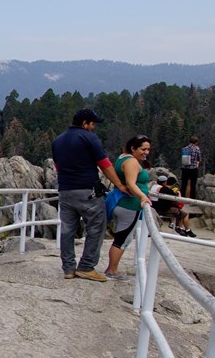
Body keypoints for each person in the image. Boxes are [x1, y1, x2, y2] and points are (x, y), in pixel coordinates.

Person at [50, 108, 130, 282]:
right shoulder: (89, 137)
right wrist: (120, 185)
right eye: (92, 123)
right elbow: (105, 164)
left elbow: (58, 167)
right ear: (85, 123)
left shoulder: (57, 141)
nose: (93, 127)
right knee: (96, 227)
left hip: (65, 191)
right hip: (88, 191)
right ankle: (86, 266)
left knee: (67, 229)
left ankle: (68, 268)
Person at [104, 136, 155, 280]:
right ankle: (112, 270)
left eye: (148, 149)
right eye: (143, 149)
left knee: (121, 237)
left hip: (121, 202)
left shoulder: (123, 157)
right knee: (122, 239)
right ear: (133, 148)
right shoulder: (132, 162)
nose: (146, 152)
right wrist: (142, 197)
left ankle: (111, 268)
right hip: (129, 205)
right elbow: (131, 183)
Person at [179, 136, 203, 201]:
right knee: (193, 184)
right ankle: (192, 199)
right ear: (196, 142)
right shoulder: (196, 149)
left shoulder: (184, 148)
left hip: (185, 168)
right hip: (193, 168)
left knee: (184, 183)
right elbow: (199, 159)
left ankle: (181, 198)